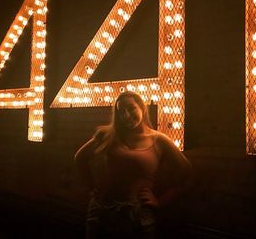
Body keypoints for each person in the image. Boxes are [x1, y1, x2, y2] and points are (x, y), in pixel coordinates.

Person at [74, 91, 193, 239]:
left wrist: (160, 201)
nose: (126, 115)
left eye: (131, 108)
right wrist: (90, 189)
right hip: (101, 213)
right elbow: (79, 158)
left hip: (138, 216)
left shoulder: (159, 140)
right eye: (121, 112)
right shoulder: (107, 135)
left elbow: (188, 176)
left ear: (142, 107)